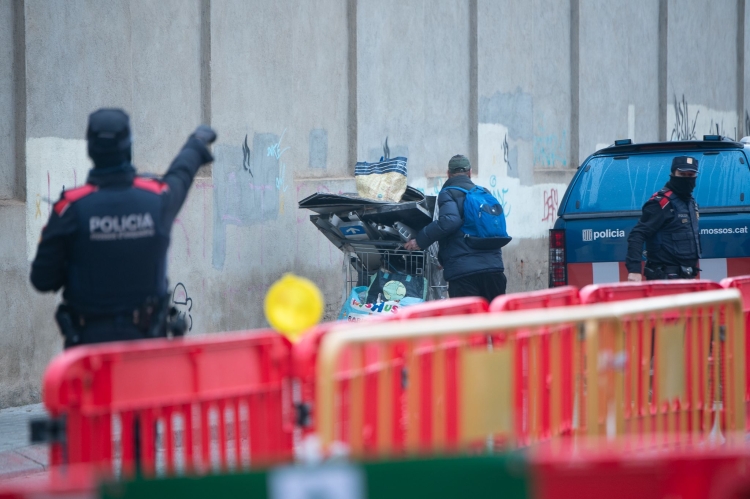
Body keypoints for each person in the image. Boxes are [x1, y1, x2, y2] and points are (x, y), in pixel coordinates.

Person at [30, 108, 217, 348]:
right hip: (148, 352)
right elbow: (181, 174)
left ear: (90, 150)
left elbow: (42, 279)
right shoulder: (156, 200)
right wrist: (197, 143)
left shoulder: (70, 209)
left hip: (90, 354)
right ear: (128, 147)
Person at [404, 155, 507, 301]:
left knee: (466, 322)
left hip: (464, 274)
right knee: (495, 321)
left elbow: (449, 222)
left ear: (448, 173)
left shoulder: (448, 193)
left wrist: (419, 241)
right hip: (494, 270)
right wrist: (442, 258)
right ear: (470, 172)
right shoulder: (484, 193)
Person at [625, 156, 701, 282]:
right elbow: (637, 234)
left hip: (687, 277)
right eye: (682, 174)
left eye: (691, 174)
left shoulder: (690, 202)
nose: (687, 178)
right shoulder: (662, 203)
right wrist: (634, 270)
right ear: (673, 174)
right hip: (664, 279)